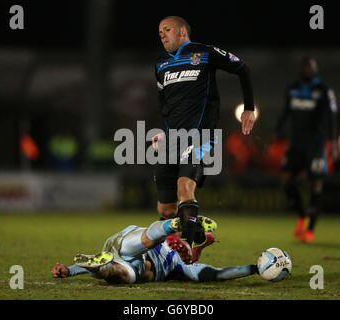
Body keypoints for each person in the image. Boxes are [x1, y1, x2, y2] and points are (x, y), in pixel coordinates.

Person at [152, 16, 256, 262]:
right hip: (171, 140)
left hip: (201, 137)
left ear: (182, 31)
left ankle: (188, 250)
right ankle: (195, 237)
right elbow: (165, 104)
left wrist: (249, 107)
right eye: (159, 32)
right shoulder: (161, 64)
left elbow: (243, 68)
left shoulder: (205, 53)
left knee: (184, 188)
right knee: (165, 209)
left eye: (167, 30)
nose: (162, 35)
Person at [51, 217, 258, 284]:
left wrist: (254, 268)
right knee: (150, 240)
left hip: (128, 264)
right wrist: (178, 228)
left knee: (127, 275)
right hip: (128, 244)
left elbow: (217, 274)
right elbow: (152, 235)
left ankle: (99, 268)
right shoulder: (169, 242)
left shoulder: (185, 267)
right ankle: (176, 222)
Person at [275, 56, 338, 243]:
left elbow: (332, 119)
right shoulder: (292, 89)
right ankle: (302, 214)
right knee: (286, 179)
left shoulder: (324, 91)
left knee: (316, 184)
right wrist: (277, 131)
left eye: (311, 66)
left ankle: (310, 230)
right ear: (301, 68)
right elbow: (285, 113)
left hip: (316, 147)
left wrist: (333, 144)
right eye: (305, 66)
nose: (308, 69)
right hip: (296, 145)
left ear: (315, 68)